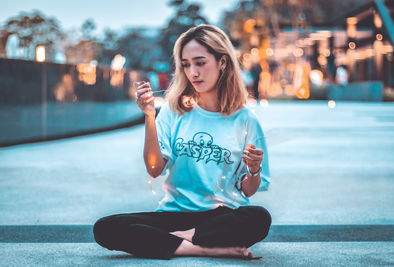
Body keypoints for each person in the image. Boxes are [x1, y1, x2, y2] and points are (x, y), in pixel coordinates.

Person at [93, 24, 272, 260]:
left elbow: (249, 188)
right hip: (174, 214)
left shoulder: (245, 119)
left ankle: (176, 241)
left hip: (222, 215)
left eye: (200, 62)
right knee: (105, 227)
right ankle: (202, 246)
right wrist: (149, 116)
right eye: (186, 64)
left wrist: (255, 170)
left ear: (222, 62)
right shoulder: (173, 111)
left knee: (259, 218)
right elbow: (155, 169)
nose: (193, 72)